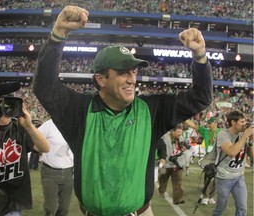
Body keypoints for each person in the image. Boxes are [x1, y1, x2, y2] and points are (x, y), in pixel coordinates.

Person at [33, 5, 212, 216]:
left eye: (133, 71)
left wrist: (200, 55)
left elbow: (201, 98)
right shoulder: (79, 111)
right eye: (122, 72)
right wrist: (58, 34)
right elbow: (44, 87)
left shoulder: (152, 110)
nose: (131, 79)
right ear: (101, 79)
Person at [0, 96, 50, 216]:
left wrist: (29, 126)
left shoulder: (20, 128)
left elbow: (45, 148)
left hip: (12, 203)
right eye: (2, 105)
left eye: (10, 105)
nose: (6, 109)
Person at [212, 110, 253, 216]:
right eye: (242, 122)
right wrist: (244, 137)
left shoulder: (243, 135)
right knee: (220, 208)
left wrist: (252, 140)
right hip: (224, 178)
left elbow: (253, 156)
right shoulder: (223, 134)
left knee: (242, 208)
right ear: (233, 122)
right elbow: (232, 152)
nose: (245, 124)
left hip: (239, 177)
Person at [38, 119, 74, 216]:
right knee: (51, 207)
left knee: (64, 209)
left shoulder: (75, 124)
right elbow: (34, 137)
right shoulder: (49, 124)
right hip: (50, 171)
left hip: (68, 172)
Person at [185, 116, 221, 205]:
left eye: (210, 123)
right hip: (208, 156)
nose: (208, 125)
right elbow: (194, 126)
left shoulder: (221, 132)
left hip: (218, 157)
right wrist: (184, 118)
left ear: (215, 123)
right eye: (208, 123)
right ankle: (205, 196)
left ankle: (211, 196)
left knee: (217, 177)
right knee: (208, 176)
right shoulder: (205, 131)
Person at [158, 124, 188, 204]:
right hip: (166, 163)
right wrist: (162, 160)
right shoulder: (164, 138)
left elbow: (184, 152)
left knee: (178, 182)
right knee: (162, 180)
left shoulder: (182, 139)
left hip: (177, 164)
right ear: (173, 131)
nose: (179, 134)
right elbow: (162, 151)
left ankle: (178, 199)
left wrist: (184, 151)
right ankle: (162, 191)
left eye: (181, 132)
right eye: (178, 132)